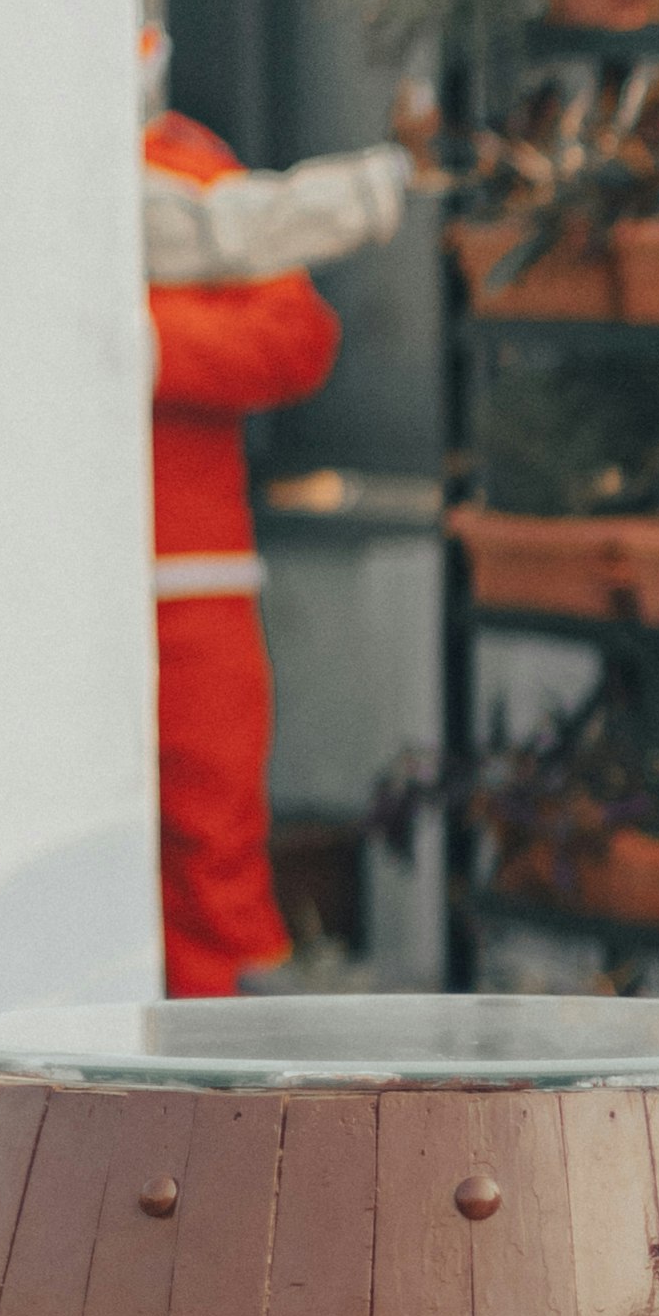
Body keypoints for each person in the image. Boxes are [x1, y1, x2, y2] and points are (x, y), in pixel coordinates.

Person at [139, 50, 413, 999]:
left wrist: (149, 350)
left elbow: (298, 335)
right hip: (36, 575)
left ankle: (234, 1098)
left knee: (213, 826)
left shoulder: (186, 161)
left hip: (191, 565)